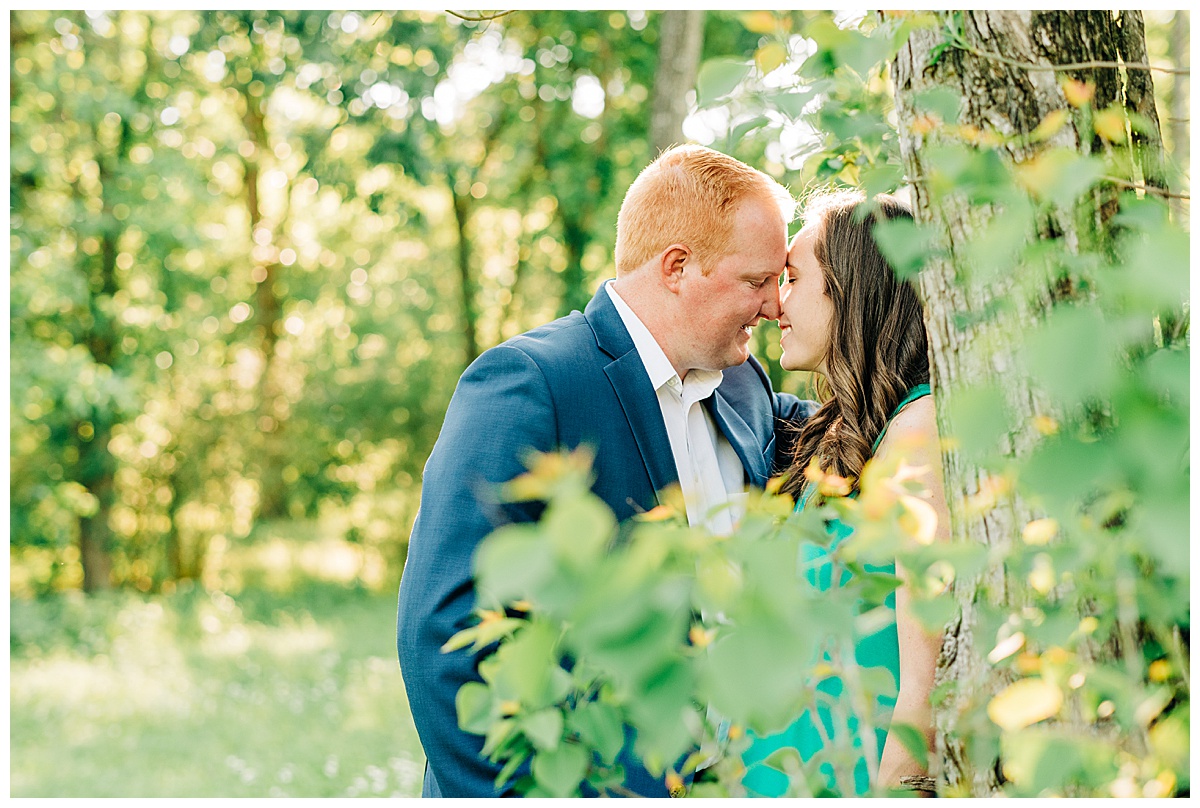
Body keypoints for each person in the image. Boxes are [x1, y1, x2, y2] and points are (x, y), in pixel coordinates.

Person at [396, 145, 817, 798]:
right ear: (677, 267)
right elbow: (445, 640)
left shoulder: (744, 388)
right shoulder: (532, 383)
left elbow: (859, 427)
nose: (772, 306)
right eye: (757, 281)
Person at [739, 189, 949, 797]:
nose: (776, 302)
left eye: (794, 277)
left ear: (851, 287)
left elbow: (923, 686)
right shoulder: (846, 435)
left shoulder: (918, 433)